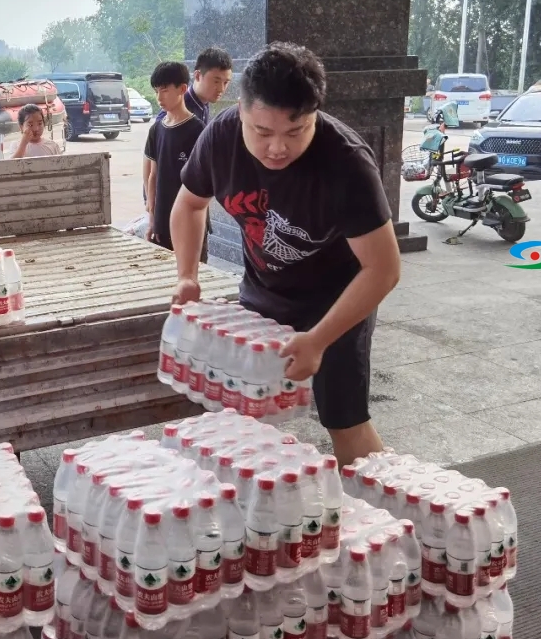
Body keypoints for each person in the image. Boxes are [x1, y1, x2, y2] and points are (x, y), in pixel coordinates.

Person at [169, 42, 402, 467]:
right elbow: (188, 204)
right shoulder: (220, 137)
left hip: (336, 300)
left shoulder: (347, 163)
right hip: (262, 292)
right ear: (240, 109)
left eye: (295, 132)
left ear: (314, 115)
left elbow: (383, 269)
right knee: (242, 412)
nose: (277, 148)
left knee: (344, 418)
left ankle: (380, 514)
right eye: (262, 131)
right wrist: (187, 273)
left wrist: (318, 339)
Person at [143, 61, 208, 262]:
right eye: (156, 91)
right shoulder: (156, 129)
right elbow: (153, 175)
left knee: (192, 276)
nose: (159, 97)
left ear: (182, 89)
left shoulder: (198, 130)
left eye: (164, 90)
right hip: (163, 220)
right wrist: (152, 219)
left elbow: (205, 184)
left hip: (190, 221)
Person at [184, 46, 234, 123]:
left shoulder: (203, 102)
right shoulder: (178, 110)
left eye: (226, 82)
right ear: (197, 76)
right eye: (216, 81)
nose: (221, 89)